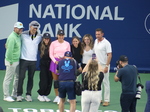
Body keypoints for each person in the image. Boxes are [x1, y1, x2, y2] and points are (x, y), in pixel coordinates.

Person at [17, 21, 42, 102]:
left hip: (33, 61)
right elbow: (15, 39)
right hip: (24, 59)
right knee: (21, 77)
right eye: (33, 27)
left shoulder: (39, 36)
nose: (35, 29)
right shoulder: (23, 34)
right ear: (30, 26)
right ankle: (19, 95)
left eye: (36, 28)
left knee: (30, 78)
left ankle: (28, 94)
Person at [3, 22, 24, 102]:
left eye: (21, 28)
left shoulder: (19, 36)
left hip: (17, 60)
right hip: (11, 61)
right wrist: (10, 61)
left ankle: (14, 93)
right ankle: (6, 95)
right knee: (8, 78)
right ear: (14, 28)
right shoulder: (12, 37)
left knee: (17, 78)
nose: (20, 30)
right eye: (19, 28)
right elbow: (9, 50)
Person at [49, 30, 70, 104]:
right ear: (57, 35)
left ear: (64, 36)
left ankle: (62, 96)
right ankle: (57, 96)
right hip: (55, 62)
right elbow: (51, 54)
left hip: (64, 63)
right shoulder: (53, 43)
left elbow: (68, 54)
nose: (61, 37)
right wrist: (55, 61)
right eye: (59, 35)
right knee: (56, 80)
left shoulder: (67, 44)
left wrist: (64, 59)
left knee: (62, 81)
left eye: (62, 35)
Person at [94, 28, 112, 106]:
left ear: (102, 34)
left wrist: (107, 66)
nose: (97, 36)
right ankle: (99, 98)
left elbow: (110, 55)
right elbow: (94, 53)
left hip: (104, 65)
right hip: (97, 65)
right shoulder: (95, 41)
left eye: (99, 34)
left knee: (106, 82)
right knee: (98, 82)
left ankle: (107, 100)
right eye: (96, 34)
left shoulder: (107, 43)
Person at [37, 33, 53, 102]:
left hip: (50, 64)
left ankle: (45, 94)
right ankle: (40, 94)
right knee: (44, 80)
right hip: (43, 65)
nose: (46, 40)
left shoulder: (52, 45)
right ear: (43, 39)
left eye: (47, 38)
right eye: (45, 38)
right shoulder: (40, 45)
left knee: (50, 80)